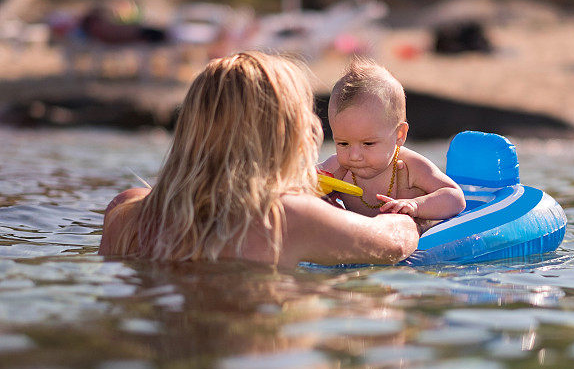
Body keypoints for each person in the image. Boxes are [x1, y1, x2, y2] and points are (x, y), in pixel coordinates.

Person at [99, 52, 419, 269]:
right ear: (284, 136)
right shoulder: (287, 217)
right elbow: (394, 242)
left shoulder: (125, 211)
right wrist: (408, 214)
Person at [319, 59, 466, 220]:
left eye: (368, 143)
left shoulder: (412, 167)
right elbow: (300, 183)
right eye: (343, 143)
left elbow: (455, 197)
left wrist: (416, 205)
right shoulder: (337, 168)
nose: (354, 155)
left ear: (400, 135)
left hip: (412, 240)